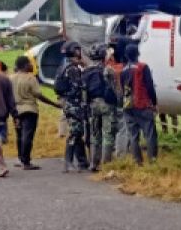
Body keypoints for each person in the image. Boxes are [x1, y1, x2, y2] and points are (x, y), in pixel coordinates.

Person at [11, 55, 58, 170]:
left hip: (16, 110)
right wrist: (54, 104)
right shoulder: (30, 78)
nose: (33, 65)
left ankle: (20, 158)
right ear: (25, 65)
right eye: (30, 63)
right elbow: (38, 95)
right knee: (27, 135)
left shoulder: (11, 78)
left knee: (19, 135)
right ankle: (26, 162)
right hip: (29, 110)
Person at [83, 43, 120, 171]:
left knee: (94, 134)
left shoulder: (86, 71)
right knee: (108, 134)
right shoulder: (108, 70)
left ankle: (93, 163)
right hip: (107, 105)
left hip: (92, 105)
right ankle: (106, 164)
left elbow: (83, 91)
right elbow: (115, 89)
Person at [120, 42, 159, 166]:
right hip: (142, 105)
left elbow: (122, 88)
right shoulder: (143, 67)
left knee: (133, 135)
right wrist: (154, 103)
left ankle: (138, 161)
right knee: (150, 134)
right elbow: (150, 87)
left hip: (128, 106)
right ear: (138, 54)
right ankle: (152, 161)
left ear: (126, 56)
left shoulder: (123, 71)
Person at [54, 41, 90, 172]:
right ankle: (68, 161)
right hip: (74, 104)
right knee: (75, 133)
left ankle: (82, 161)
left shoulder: (63, 66)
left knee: (78, 132)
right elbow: (79, 87)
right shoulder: (73, 69)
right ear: (75, 51)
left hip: (68, 103)